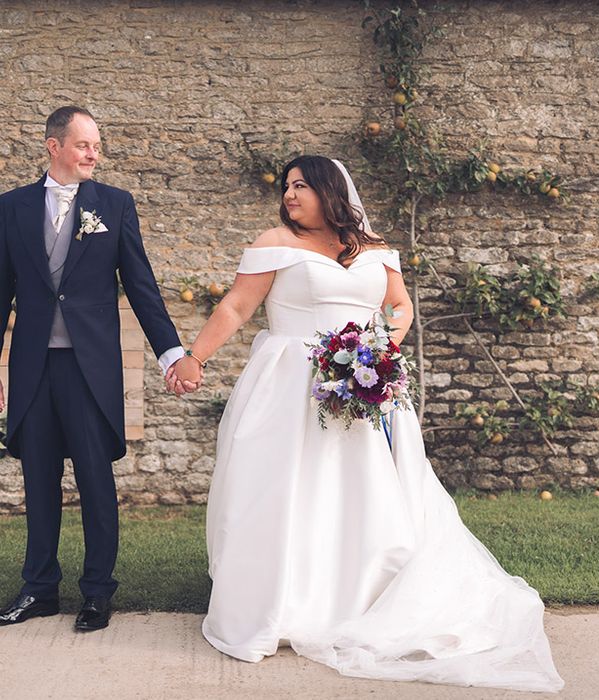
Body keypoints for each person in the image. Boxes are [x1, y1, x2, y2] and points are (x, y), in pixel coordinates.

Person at [168, 155, 564, 691]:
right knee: (288, 488)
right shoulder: (273, 243)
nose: (289, 195)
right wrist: (195, 357)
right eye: (286, 187)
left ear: (331, 190)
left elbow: (399, 307)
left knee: (365, 488)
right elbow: (237, 307)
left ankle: (365, 594)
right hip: (291, 384)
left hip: (363, 383)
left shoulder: (376, 249)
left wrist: (376, 353)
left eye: (301, 186)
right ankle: (285, 599)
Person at [0, 106, 187, 631]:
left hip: (89, 369)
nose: (93, 155)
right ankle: (38, 590)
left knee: (94, 481)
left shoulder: (114, 204)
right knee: (38, 480)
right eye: (84, 145)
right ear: (53, 146)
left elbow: (142, 286)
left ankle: (97, 593)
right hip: (33, 365)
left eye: (97, 146)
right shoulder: (10, 208)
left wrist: (172, 353)